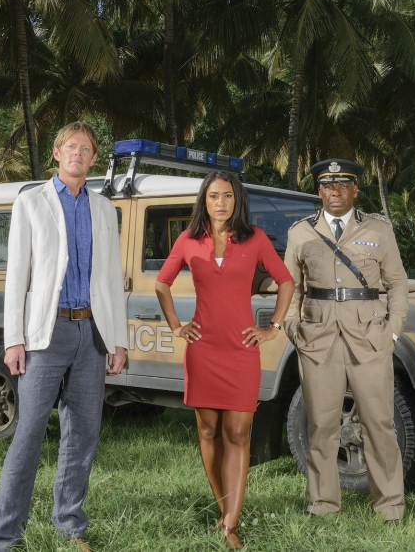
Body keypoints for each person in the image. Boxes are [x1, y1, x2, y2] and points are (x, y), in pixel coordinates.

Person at [0, 122, 128, 552]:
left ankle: (70, 524)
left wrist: (117, 338)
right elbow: (18, 277)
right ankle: (6, 536)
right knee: (28, 432)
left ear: (93, 158)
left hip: (92, 332)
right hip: (45, 334)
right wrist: (14, 339)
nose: (79, 154)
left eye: (87, 149)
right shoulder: (31, 202)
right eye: (72, 147)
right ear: (56, 152)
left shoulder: (105, 208)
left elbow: (109, 278)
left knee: (83, 434)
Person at [155, 171, 295, 549]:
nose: (221, 203)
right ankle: (224, 508)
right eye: (214, 196)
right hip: (203, 349)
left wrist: (273, 327)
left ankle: (230, 524)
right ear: (204, 200)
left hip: (241, 350)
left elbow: (286, 281)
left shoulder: (255, 239)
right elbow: (161, 283)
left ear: (237, 201)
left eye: (228, 196)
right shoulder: (188, 240)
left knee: (237, 433)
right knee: (207, 431)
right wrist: (175, 325)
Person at [282, 159, 409, 522]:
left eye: (342, 185)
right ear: (319, 191)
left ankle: (389, 508)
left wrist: (393, 329)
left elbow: (398, 282)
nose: (334, 192)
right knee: (321, 426)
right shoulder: (300, 233)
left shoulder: (379, 230)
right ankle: (322, 505)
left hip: (369, 339)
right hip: (317, 340)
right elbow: (290, 286)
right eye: (326, 186)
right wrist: (293, 328)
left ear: (355, 190)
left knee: (379, 424)